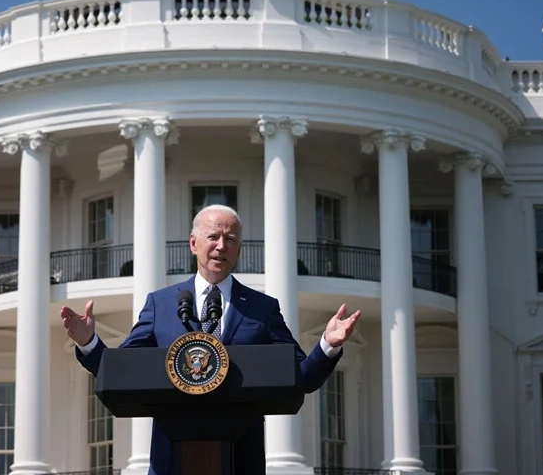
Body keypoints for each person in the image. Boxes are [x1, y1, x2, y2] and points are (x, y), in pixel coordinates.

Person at [61, 204, 361, 475]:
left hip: (241, 456)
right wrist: (89, 343)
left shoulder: (261, 307)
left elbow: (301, 377)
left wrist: (328, 345)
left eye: (231, 240)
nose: (221, 246)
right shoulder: (161, 303)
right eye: (213, 237)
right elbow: (123, 372)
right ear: (194, 243)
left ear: (239, 249)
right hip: (171, 458)